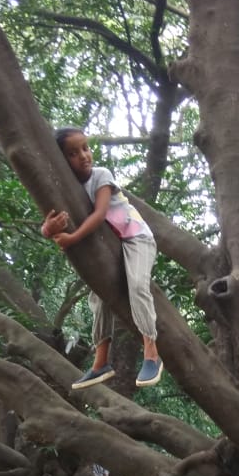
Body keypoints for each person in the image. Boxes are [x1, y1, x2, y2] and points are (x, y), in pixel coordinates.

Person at [40, 127, 162, 391]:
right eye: (73, 153)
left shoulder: (101, 175)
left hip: (136, 238)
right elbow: (50, 221)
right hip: (112, 248)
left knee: (137, 285)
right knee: (98, 297)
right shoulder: (65, 188)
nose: (84, 156)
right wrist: (47, 229)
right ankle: (100, 362)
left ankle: (152, 353)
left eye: (85, 148)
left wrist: (72, 239)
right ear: (62, 160)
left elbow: (99, 215)